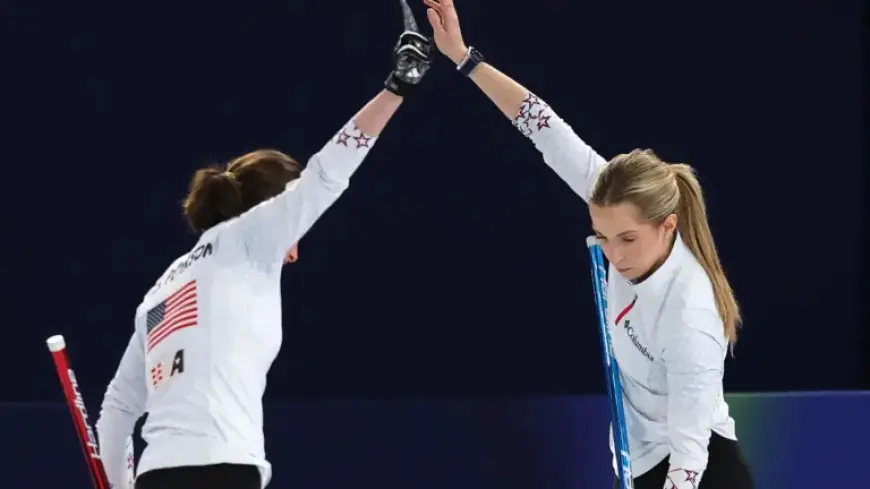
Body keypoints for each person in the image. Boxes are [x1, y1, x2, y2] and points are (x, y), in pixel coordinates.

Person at [421, 1, 755, 488]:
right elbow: (542, 126)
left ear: (668, 225)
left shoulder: (690, 315)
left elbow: (689, 456)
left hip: (697, 472)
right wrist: (465, 58)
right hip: (642, 463)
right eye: (602, 237)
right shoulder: (619, 201)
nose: (614, 256)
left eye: (627, 239)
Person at [94, 27, 434, 489]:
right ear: (274, 207)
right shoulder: (250, 237)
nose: (295, 250)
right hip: (223, 472)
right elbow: (328, 172)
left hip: (157, 476)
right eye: (298, 223)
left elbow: (116, 413)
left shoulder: (160, 292)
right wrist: (397, 88)